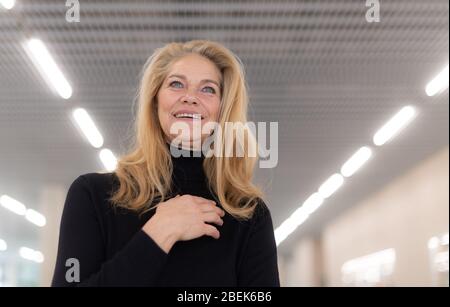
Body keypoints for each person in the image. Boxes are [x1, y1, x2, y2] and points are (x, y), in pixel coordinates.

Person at [51, 40, 280, 286]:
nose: (190, 98)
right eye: (176, 84)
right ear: (155, 100)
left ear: (222, 110)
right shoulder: (94, 195)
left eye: (208, 89)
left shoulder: (247, 213)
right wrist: (160, 231)